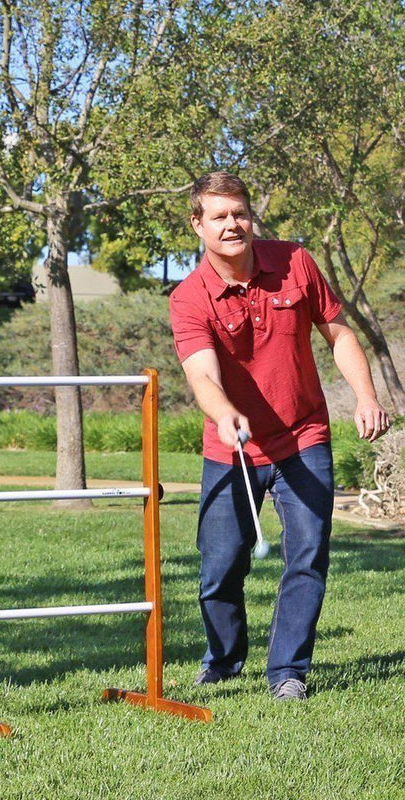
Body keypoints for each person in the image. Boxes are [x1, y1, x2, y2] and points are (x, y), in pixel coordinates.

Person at [169, 172, 390, 701]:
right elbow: (202, 374)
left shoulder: (295, 262)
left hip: (303, 436)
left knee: (308, 553)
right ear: (197, 224)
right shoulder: (188, 297)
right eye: (218, 216)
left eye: (239, 213)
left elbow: (338, 333)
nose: (232, 225)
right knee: (220, 566)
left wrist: (365, 396)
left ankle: (287, 671)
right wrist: (224, 414)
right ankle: (223, 661)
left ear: (251, 216)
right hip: (232, 448)